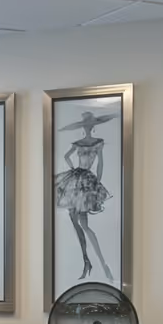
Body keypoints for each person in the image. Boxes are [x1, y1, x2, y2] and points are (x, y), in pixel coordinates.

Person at [54, 108, 117, 282]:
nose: (88, 128)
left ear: (92, 127)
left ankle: (98, 263)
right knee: (79, 223)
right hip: (78, 179)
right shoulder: (79, 143)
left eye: (89, 125)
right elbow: (66, 156)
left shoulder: (97, 143)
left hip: (85, 181)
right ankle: (91, 262)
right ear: (84, 127)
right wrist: (73, 169)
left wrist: (96, 183)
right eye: (86, 125)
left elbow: (100, 164)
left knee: (83, 224)